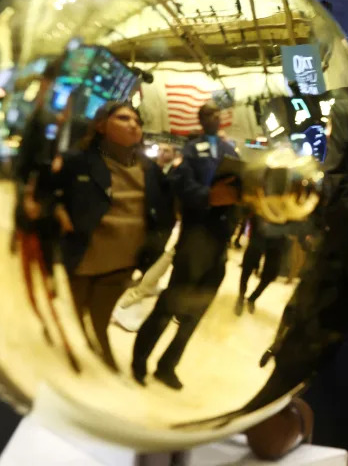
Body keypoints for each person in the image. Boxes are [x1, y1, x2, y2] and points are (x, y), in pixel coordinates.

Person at [53, 102, 176, 371]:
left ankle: (99, 349)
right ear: (100, 125)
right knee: (71, 313)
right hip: (83, 258)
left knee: (101, 315)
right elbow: (48, 192)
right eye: (123, 118)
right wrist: (59, 212)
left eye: (137, 121)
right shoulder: (78, 160)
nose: (133, 124)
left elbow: (164, 215)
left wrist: (150, 252)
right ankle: (68, 355)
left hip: (123, 263)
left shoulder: (150, 171)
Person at [131, 102, 239, 389]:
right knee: (170, 303)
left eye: (217, 114)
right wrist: (207, 196)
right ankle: (139, 358)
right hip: (195, 237)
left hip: (219, 241)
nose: (214, 118)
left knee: (196, 312)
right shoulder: (191, 151)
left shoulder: (230, 152)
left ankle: (168, 365)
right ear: (201, 120)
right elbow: (179, 186)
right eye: (208, 115)